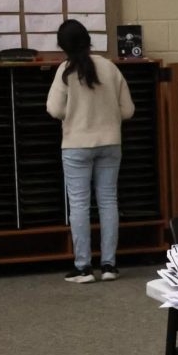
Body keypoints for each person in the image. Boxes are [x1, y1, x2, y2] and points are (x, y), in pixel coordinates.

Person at [46, 19, 135, 284]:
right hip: (110, 143)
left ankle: (83, 267)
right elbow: (128, 110)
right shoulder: (109, 67)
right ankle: (109, 265)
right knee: (108, 201)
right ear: (88, 39)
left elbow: (54, 109)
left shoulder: (65, 70)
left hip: (76, 145)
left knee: (80, 205)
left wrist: (73, 114)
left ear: (62, 45)